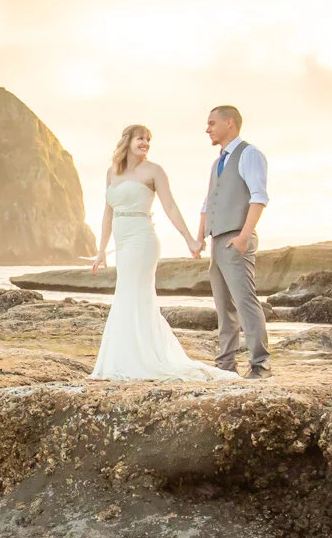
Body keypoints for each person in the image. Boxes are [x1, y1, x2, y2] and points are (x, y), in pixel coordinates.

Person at [88, 124, 237, 383]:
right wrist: (101, 249)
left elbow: (170, 206)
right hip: (122, 242)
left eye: (148, 139)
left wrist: (190, 239)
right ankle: (123, 358)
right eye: (140, 138)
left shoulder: (154, 171)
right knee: (126, 294)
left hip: (142, 239)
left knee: (134, 294)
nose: (145, 143)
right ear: (127, 141)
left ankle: (140, 360)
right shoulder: (112, 172)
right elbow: (107, 212)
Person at [195, 105, 270, 378]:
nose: (208, 129)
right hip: (217, 240)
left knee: (245, 302)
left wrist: (243, 237)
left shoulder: (249, 154)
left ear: (230, 122)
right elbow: (208, 202)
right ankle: (225, 365)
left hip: (237, 238)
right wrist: (200, 237)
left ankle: (261, 364)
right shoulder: (217, 162)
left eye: (212, 123)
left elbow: (258, 197)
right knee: (223, 308)